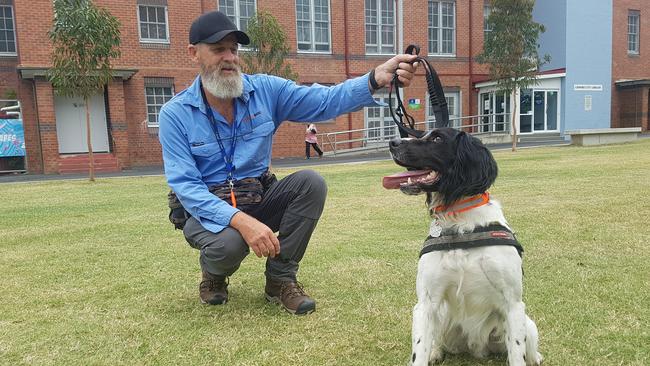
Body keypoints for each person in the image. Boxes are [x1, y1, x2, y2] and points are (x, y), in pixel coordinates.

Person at [158, 10, 418, 315]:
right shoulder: (174, 115)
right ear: (194, 53)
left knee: (311, 183)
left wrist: (376, 79)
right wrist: (242, 222)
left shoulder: (264, 91)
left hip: (257, 195)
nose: (229, 57)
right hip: (208, 212)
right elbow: (187, 186)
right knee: (230, 244)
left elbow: (322, 101)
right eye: (218, 50)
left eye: (234, 49)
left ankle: (280, 280)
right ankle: (213, 275)